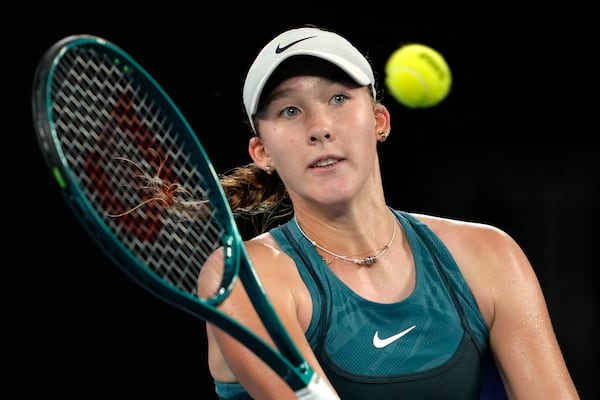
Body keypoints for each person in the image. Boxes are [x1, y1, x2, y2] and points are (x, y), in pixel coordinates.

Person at [198, 25, 579, 399]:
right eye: (290, 110)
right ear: (262, 152)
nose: (320, 128)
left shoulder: (488, 255)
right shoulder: (243, 278)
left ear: (379, 121)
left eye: (338, 99)